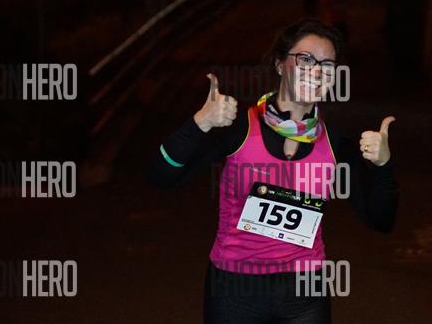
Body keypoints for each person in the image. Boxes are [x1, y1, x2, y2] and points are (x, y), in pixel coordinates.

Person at [150, 18, 398, 323]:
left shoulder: (335, 142)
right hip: (235, 291)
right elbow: (161, 175)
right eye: (305, 59)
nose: (316, 71)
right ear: (280, 65)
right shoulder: (239, 128)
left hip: (304, 293)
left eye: (327, 65)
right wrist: (200, 123)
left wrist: (384, 165)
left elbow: (381, 220)